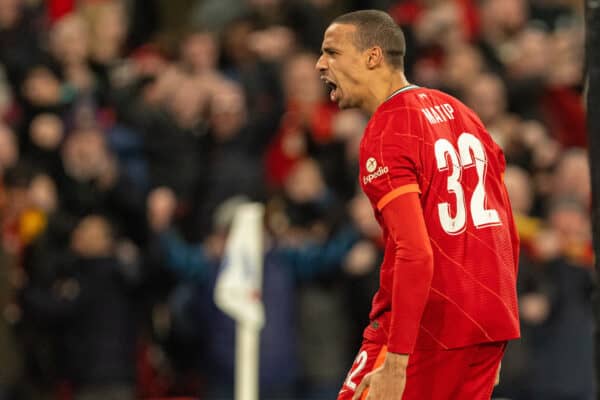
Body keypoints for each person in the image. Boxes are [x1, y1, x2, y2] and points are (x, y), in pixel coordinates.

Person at [315, 10, 520, 400]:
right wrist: (496, 331)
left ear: (372, 57)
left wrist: (396, 360)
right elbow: (505, 228)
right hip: (486, 324)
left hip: (429, 329)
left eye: (332, 52)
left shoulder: (388, 127)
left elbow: (415, 252)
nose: (320, 64)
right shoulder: (462, 113)